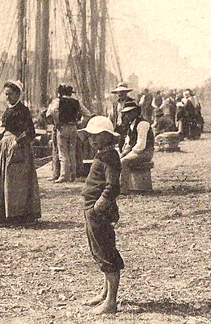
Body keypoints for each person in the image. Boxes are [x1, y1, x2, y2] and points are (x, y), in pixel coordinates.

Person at [77, 116, 124, 315]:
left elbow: (112, 186)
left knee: (106, 252)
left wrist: (99, 205)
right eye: (90, 137)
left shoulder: (111, 157)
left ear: (108, 137)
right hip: (91, 210)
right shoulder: (102, 155)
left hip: (99, 212)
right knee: (98, 250)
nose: (93, 140)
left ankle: (111, 301)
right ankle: (105, 292)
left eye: (98, 136)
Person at [0, 80, 41, 225]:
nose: (7, 97)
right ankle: (4, 212)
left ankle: (19, 213)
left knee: (16, 181)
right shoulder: (9, 109)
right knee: (5, 179)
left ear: (17, 94)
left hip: (18, 147)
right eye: (6, 94)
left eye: (10, 94)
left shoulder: (22, 110)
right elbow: (8, 127)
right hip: (5, 146)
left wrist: (18, 141)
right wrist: (1, 137)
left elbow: (30, 132)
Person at [46, 84, 93, 183]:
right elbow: (88, 114)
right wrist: (80, 123)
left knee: (63, 152)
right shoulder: (76, 102)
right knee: (72, 152)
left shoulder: (58, 101)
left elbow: (53, 111)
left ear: (61, 92)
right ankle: (73, 175)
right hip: (73, 128)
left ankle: (64, 175)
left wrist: (57, 122)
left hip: (63, 127)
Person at [119, 100, 154, 194]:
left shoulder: (142, 124)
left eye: (130, 112)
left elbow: (140, 145)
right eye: (126, 113)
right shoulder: (131, 125)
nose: (127, 115)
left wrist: (126, 155)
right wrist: (123, 153)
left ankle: (123, 189)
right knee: (118, 158)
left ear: (136, 112)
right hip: (136, 151)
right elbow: (129, 143)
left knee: (124, 162)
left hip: (145, 152)